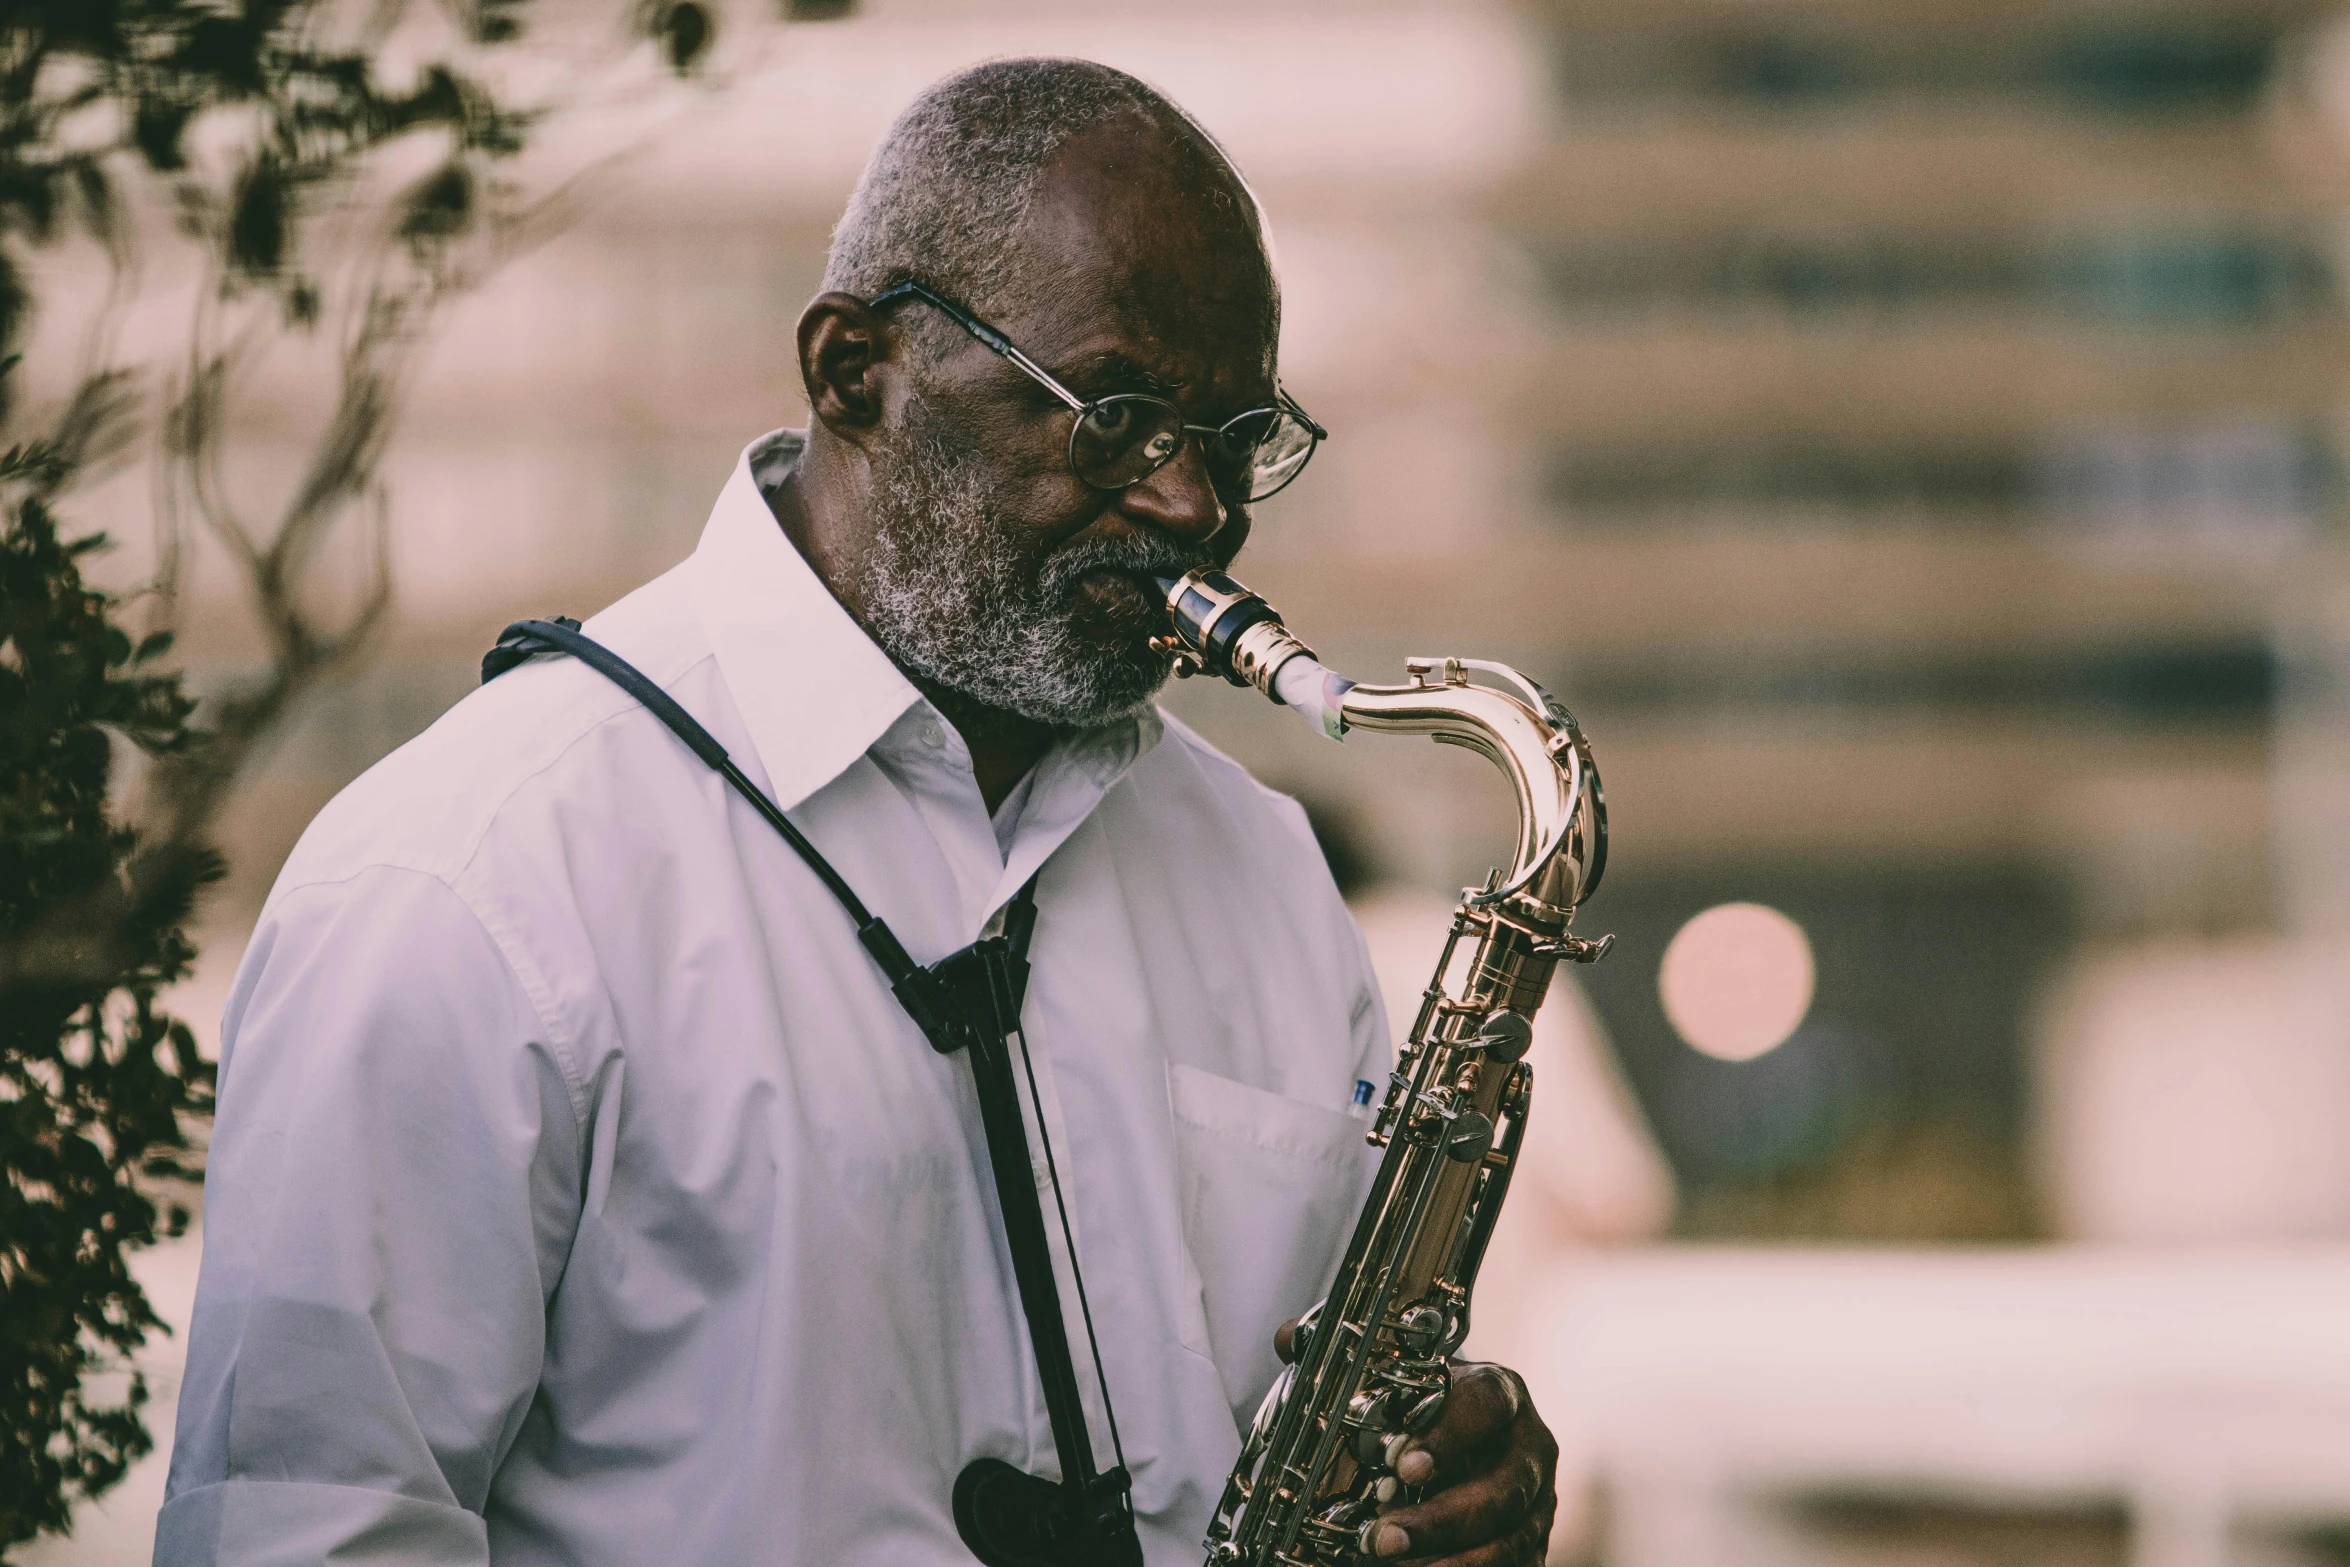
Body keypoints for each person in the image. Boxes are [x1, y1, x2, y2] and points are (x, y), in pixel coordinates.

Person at [155, 60, 1559, 1567]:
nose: (1192, 508)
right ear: (855, 371)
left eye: (1233, 440)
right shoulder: (470, 869)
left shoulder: (1266, 872)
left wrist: (1449, 1481)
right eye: (1122, 417)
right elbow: (304, 1532)